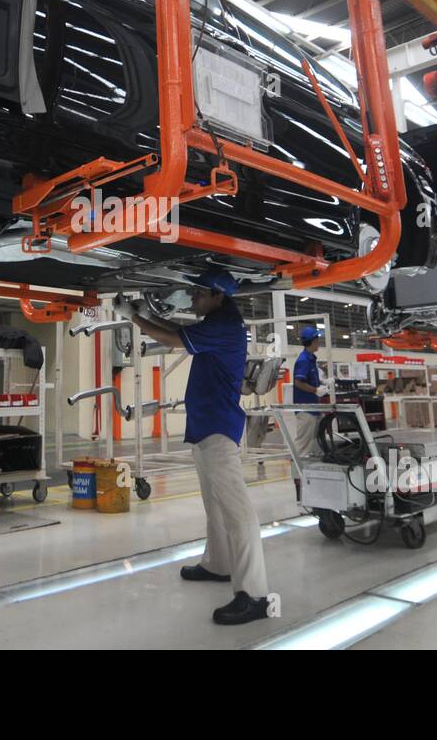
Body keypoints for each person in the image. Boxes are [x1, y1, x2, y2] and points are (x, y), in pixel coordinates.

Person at [123, 267, 269, 625]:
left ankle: (255, 594)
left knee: (236, 510)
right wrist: (145, 313)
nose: (193, 298)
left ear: (219, 296)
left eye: (199, 294)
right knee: (215, 506)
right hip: (205, 427)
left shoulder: (224, 325)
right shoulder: (217, 321)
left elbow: (174, 339)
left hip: (219, 429)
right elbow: (179, 331)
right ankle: (218, 564)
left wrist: (132, 317)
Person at [288, 325, 327, 501]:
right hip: (306, 410)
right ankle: (299, 490)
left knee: (315, 449)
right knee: (302, 450)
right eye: (317, 339)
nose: (319, 341)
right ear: (311, 341)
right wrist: (315, 390)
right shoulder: (303, 360)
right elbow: (298, 382)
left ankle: (313, 488)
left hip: (314, 409)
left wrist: (324, 383)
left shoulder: (311, 359)